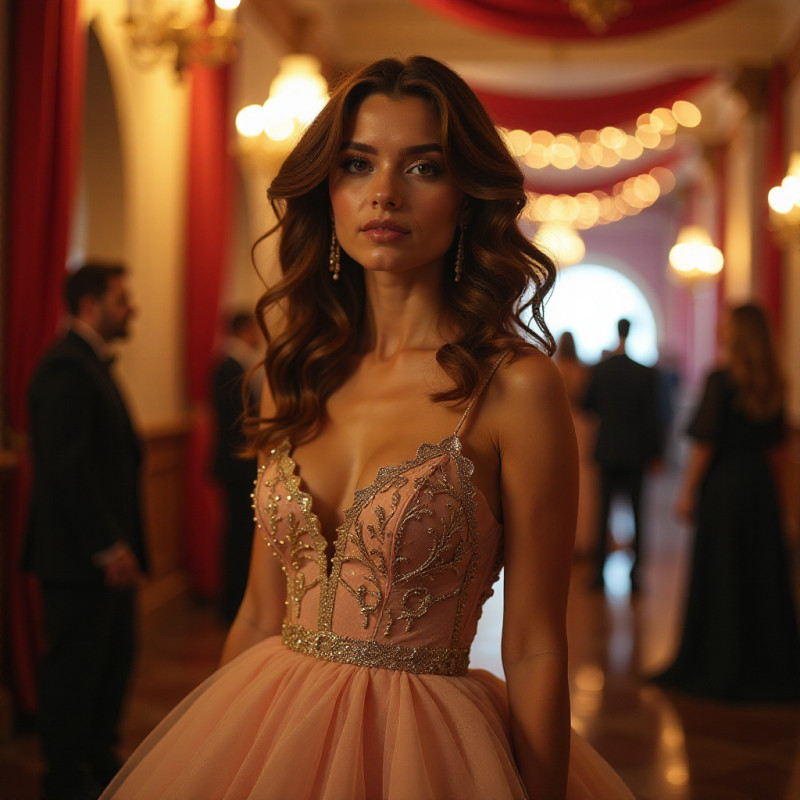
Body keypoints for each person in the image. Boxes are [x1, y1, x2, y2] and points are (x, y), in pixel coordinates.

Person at [102, 56, 632, 799]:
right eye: (357, 163)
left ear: (466, 196)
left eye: (422, 167)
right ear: (330, 188)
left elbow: (537, 643)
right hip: (266, 724)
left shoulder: (513, 387)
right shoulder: (290, 374)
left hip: (428, 749)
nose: (383, 193)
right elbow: (258, 614)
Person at [24, 263, 147, 799]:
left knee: (110, 663)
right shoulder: (65, 368)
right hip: (80, 558)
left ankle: (97, 756)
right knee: (75, 672)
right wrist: (106, 545)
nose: (132, 309)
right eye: (123, 299)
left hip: (103, 556)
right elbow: (67, 467)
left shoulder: (86, 362)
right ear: (90, 305)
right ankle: (65, 775)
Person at [652, 303, 800, 702]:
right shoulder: (774, 381)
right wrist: (788, 509)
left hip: (724, 491)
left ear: (737, 333)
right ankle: (763, 663)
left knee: (722, 574)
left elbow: (706, 443)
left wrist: (686, 492)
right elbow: (779, 452)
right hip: (760, 492)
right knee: (760, 576)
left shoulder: (720, 379)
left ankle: (718, 661)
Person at [582, 318, 661, 592]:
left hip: (607, 449)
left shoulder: (600, 370)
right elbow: (653, 416)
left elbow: (588, 404)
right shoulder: (644, 372)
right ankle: (635, 576)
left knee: (601, 512)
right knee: (638, 513)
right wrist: (656, 453)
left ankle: (598, 575)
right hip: (636, 451)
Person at [211, 311, 261, 622]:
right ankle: (232, 605)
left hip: (239, 464)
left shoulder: (239, 362)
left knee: (242, 534)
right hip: (236, 465)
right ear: (245, 329)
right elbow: (236, 423)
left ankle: (236, 602)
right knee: (238, 535)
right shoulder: (229, 365)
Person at [555, 332, 598, 560]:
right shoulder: (582, 370)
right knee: (585, 480)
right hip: (582, 424)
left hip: (561, 422)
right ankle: (585, 538)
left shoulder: (555, 368)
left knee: (563, 480)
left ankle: (566, 539)